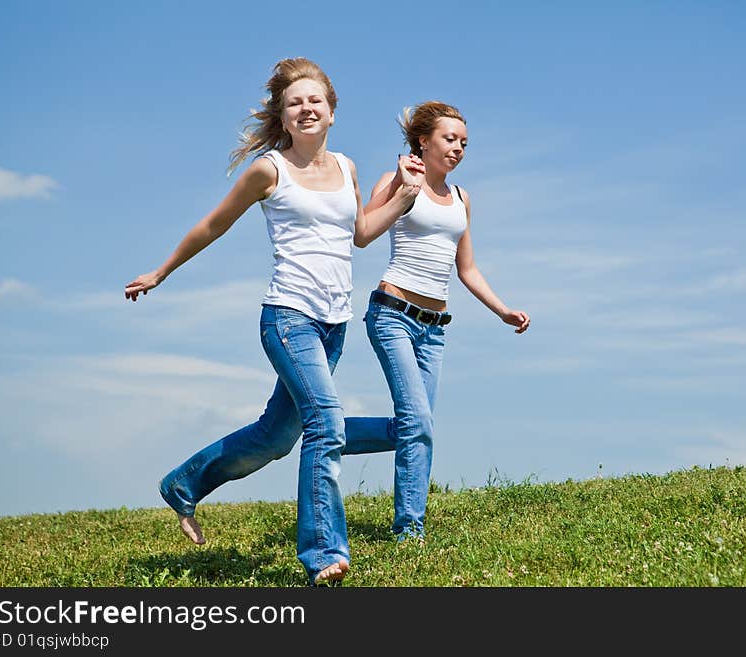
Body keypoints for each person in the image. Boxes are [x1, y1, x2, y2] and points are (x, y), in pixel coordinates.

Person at [124, 57, 368, 586]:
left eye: (314, 101)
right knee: (326, 424)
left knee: (276, 437)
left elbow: (361, 231)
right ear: (283, 118)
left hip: (335, 322)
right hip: (288, 318)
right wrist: (161, 271)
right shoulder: (269, 170)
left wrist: (406, 196)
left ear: (332, 112)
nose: (305, 109)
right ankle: (324, 553)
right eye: (294, 103)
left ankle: (182, 485)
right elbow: (213, 223)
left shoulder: (348, 168)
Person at [342, 101, 531, 541]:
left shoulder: (462, 199)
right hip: (392, 316)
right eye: (449, 139)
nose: (458, 148)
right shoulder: (394, 180)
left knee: (412, 426)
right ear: (422, 141)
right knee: (418, 424)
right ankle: (410, 531)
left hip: (434, 330)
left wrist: (502, 309)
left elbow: (466, 269)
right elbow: (363, 230)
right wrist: (401, 190)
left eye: (464, 142)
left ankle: (327, 435)